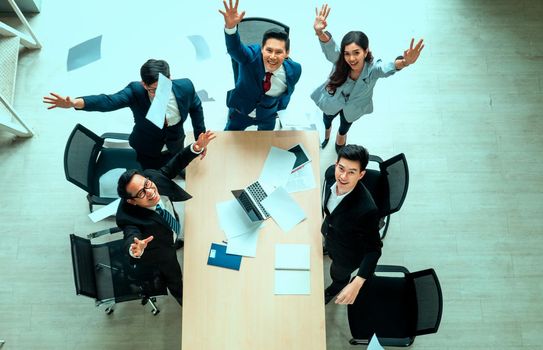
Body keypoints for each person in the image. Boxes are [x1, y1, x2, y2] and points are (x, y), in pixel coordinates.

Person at [43, 59, 206, 170]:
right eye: (152, 90)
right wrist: (74, 103)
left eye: (162, 88)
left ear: (170, 79)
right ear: (144, 84)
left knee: (176, 161)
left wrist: (200, 136)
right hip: (147, 149)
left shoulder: (185, 86)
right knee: (155, 175)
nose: (157, 95)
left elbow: (196, 108)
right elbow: (108, 101)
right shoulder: (135, 92)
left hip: (175, 142)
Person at [115, 130, 216, 306]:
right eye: (141, 193)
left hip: (168, 230)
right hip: (159, 252)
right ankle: (183, 300)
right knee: (174, 278)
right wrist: (134, 248)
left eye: (147, 184)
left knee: (172, 235)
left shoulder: (152, 178)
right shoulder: (128, 217)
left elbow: (174, 164)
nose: (151, 192)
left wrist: (196, 148)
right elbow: (130, 235)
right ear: (131, 201)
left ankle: (175, 239)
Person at [311, 4, 424, 152]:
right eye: (347, 53)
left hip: (354, 107)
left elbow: (387, 67)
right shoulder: (339, 59)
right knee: (327, 119)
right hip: (333, 100)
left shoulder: (372, 69)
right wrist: (320, 33)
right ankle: (326, 136)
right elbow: (331, 48)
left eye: (356, 52)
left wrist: (404, 62)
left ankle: (340, 139)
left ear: (365, 52)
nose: (351, 58)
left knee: (345, 126)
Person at [219, 0, 302, 131]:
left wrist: (276, 109)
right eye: (269, 50)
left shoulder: (295, 70)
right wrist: (230, 28)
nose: (273, 56)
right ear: (262, 48)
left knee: (265, 146)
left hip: (267, 115)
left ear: (287, 53)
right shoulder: (251, 57)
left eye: (279, 52)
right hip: (241, 112)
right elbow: (235, 49)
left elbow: (287, 93)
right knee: (229, 138)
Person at [321, 144, 382, 305]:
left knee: (338, 274)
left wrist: (358, 281)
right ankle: (328, 247)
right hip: (331, 232)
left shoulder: (367, 210)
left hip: (347, 254)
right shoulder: (329, 175)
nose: (343, 176)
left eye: (351, 172)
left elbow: (374, 250)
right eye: (341, 168)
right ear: (336, 165)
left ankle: (336, 287)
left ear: (361, 175)